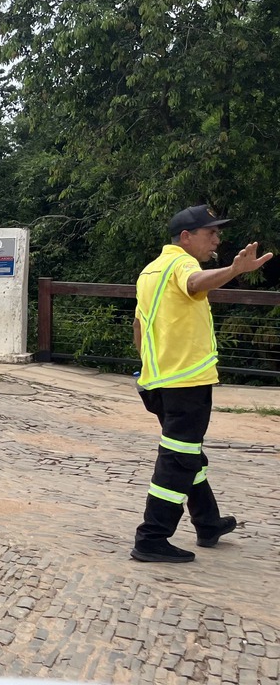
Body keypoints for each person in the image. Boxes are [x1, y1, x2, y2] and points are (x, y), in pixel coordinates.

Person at [129, 204, 272, 563]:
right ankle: (152, 537)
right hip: (186, 382)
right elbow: (194, 284)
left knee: (190, 453)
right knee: (178, 458)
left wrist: (151, 368)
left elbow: (138, 326)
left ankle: (208, 522)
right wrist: (234, 270)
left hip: (158, 380)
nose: (217, 240)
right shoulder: (182, 264)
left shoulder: (150, 271)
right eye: (211, 233)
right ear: (186, 237)